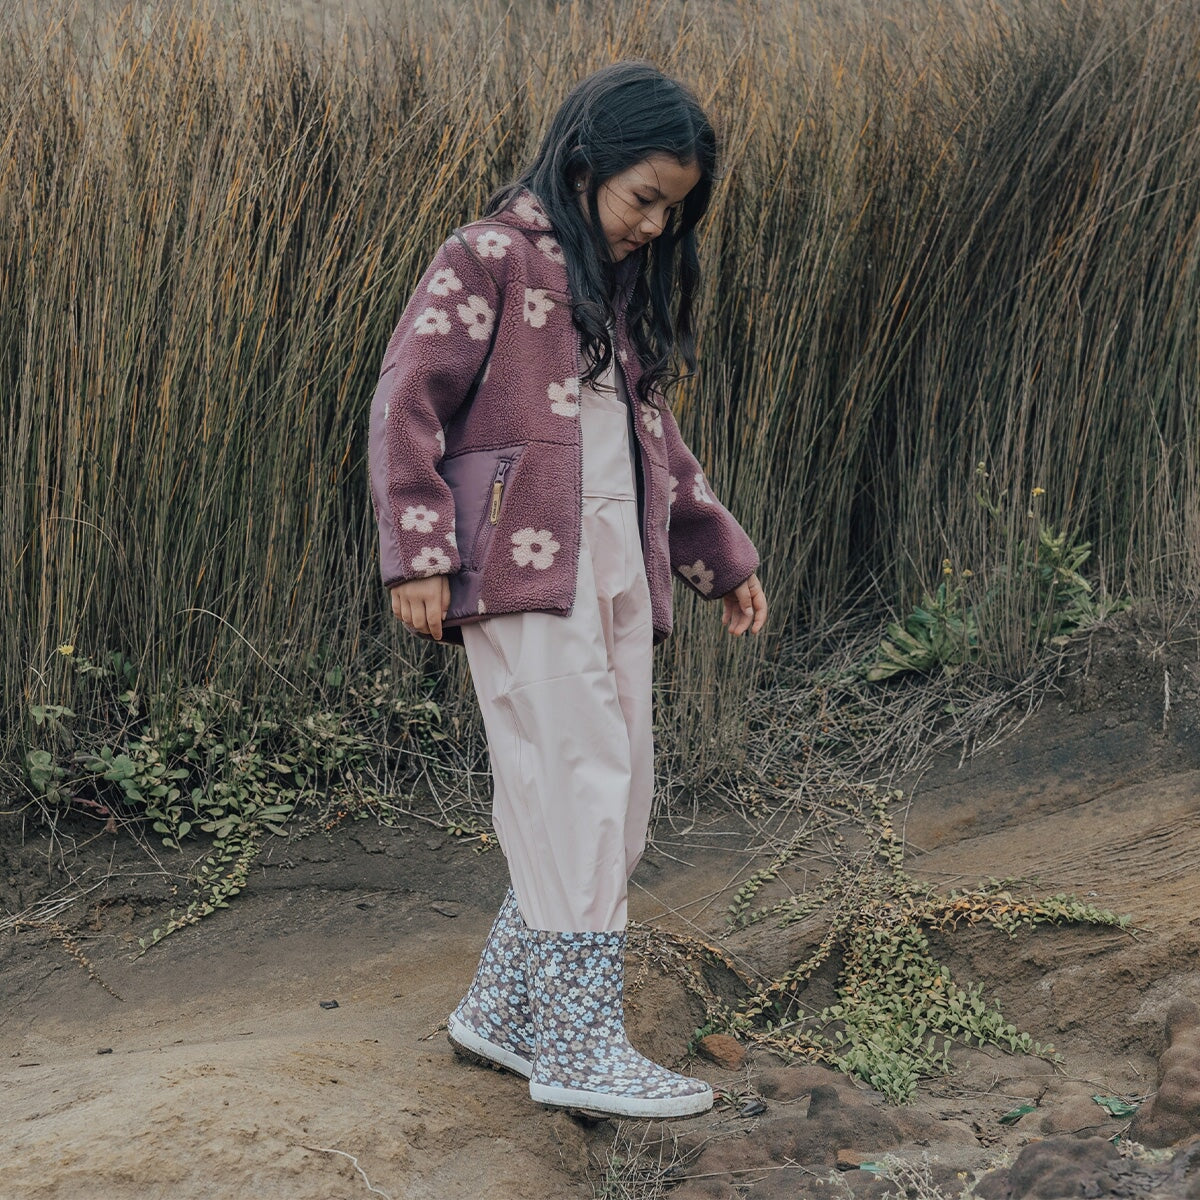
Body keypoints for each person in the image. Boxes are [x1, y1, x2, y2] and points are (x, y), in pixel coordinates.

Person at [367, 61, 768, 1120]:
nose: (654, 224)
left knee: (617, 792)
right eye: (644, 198)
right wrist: (420, 552)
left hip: (615, 562)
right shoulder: (488, 257)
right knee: (574, 780)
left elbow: (649, 438)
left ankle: (503, 1011)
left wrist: (718, 552)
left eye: (672, 211)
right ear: (585, 163)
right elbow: (407, 395)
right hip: (513, 563)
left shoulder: (612, 290)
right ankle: (580, 1048)